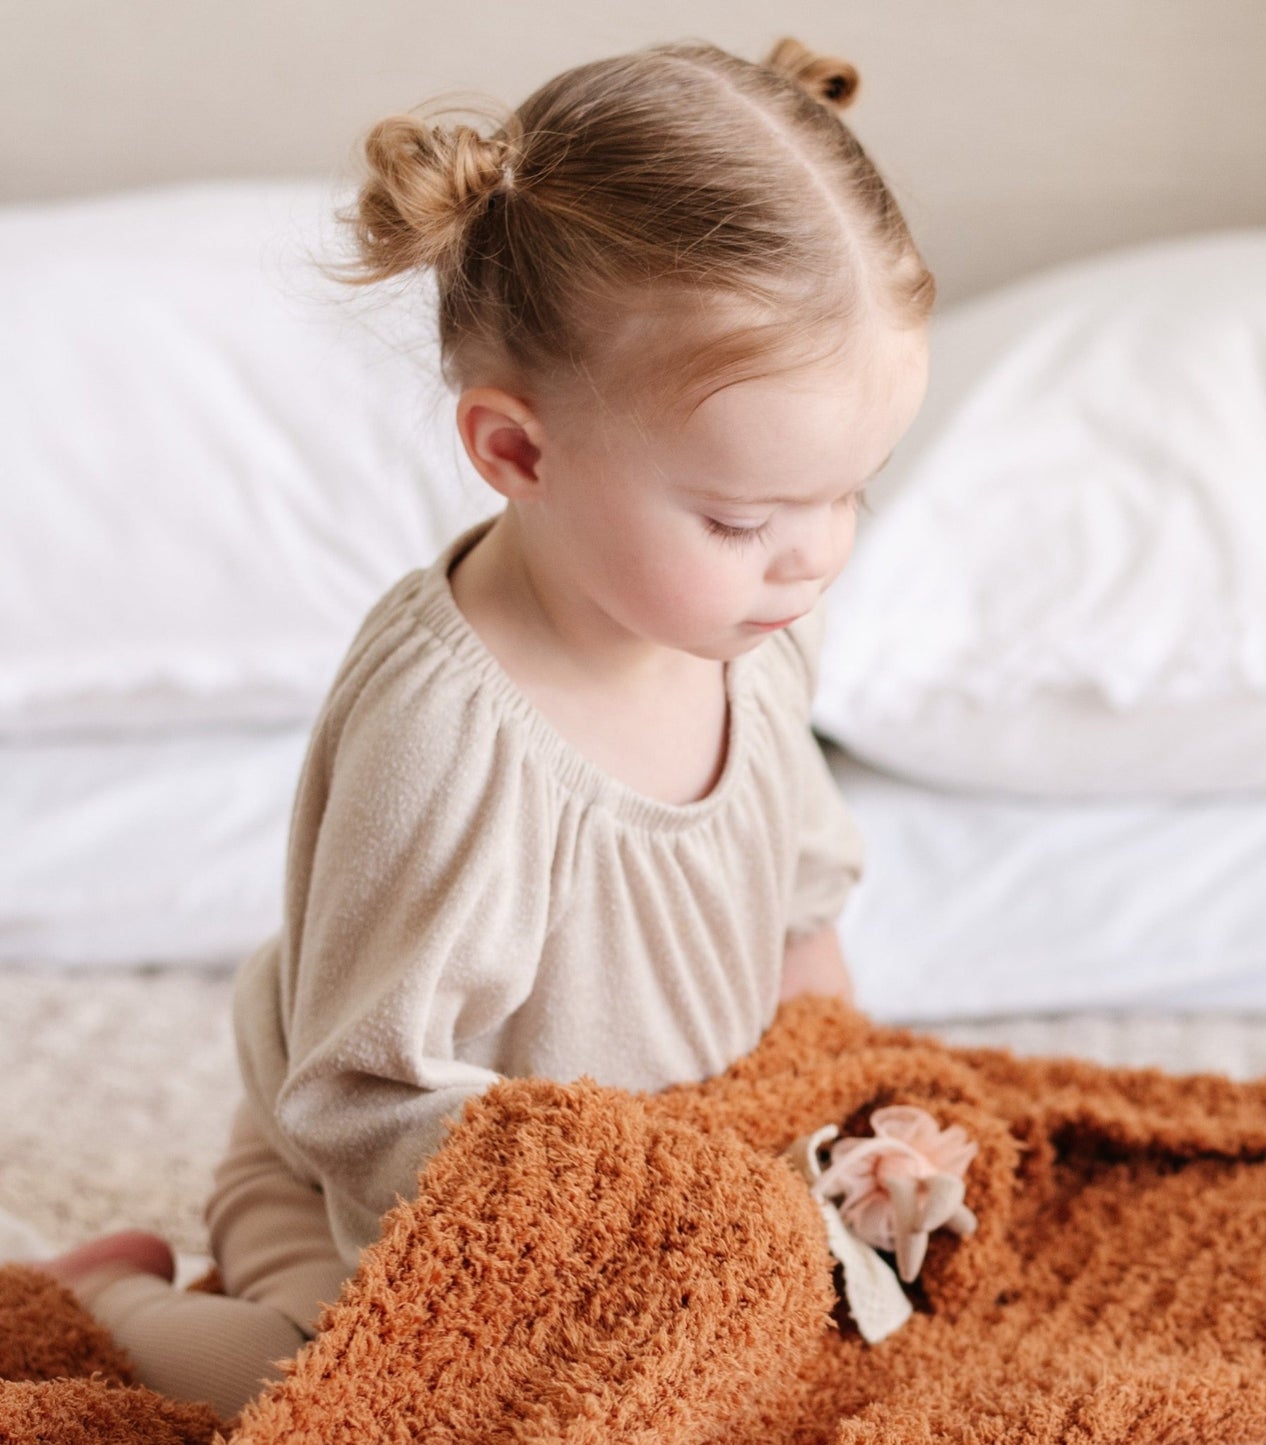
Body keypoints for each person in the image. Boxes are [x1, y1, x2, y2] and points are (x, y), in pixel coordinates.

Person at [36, 34, 933, 1419]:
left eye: (849, 493)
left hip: (669, 1169)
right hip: (400, 1184)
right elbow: (363, 1091)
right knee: (385, 1403)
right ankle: (115, 1297)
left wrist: (845, 1122)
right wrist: (644, 1212)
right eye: (744, 518)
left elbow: (797, 909)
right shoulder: (452, 733)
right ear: (516, 450)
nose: (811, 558)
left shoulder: (750, 625)